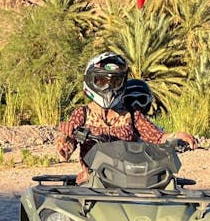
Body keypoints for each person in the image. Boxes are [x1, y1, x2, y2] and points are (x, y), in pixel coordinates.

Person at [56, 53, 197, 181]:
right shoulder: (82, 113)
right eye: (101, 81)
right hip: (93, 181)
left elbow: (157, 137)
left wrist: (178, 136)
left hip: (129, 179)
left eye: (115, 81)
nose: (108, 87)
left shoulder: (131, 114)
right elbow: (65, 150)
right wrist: (66, 136)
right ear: (91, 80)